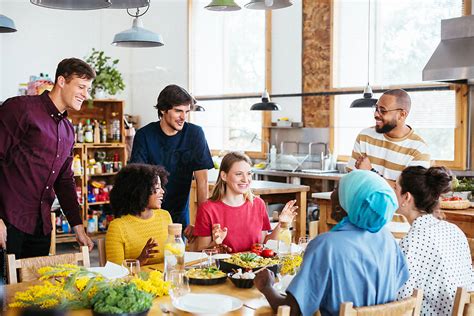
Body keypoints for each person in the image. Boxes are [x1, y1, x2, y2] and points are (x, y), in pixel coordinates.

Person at [254, 170, 409, 316]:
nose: (332, 195)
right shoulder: (388, 240)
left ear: (348, 202)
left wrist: (267, 287)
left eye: (337, 190)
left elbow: (292, 310)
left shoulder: (326, 246)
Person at [0, 58, 95, 260]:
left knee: (33, 290)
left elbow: (64, 181)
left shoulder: (68, 130)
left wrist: (77, 227)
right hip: (8, 221)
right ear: (61, 81)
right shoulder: (20, 109)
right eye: (81, 87)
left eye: (87, 89)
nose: (85, 95)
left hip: (41, 227)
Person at [130, 84, 213, 236]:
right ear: (163, 110)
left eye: (186, 112)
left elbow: (202, 182)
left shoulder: (195, 134)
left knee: (178, 256)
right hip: (149, 213)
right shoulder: (144, 136)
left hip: (180, 214)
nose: (183, 117)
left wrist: (202, 224)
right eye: (178, 111)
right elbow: (138, 181)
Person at [394, 166, 474, 315]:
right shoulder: (454, 231)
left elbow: (401, 304)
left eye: (395, 188)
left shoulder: (411, 243)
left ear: (407, 197)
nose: (392, 193)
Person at [193, 151, 298, 253]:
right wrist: (215, 243)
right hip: (224, 270)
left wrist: (281, 224)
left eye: (249, 174)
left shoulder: (258, 204)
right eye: (239, 174)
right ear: (224, 176)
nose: (245, 179)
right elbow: (201, 252)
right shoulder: (208, 208)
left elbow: (264, 244)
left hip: (255, 268)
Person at [347, 89, 431, 185]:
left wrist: (370, 172)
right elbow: (352, 178)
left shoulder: (419, 150)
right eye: (376, 109)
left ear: (402, 115)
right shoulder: (365, 136)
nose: (376, 114)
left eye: (383, 110)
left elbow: (407, 194)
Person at [106, 163, 173, 265]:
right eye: (157, 187)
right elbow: (115, 273)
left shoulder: (165, 216)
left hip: (164, 280)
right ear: (140, 191)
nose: (163, 191)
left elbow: (174, 258)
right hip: (134, 281)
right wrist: (139, 260)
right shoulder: (117, 227)